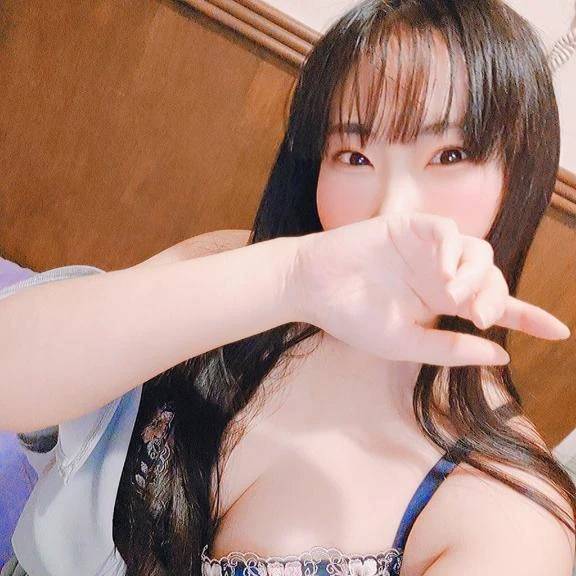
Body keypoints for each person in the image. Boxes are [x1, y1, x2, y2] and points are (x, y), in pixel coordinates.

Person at [0, 0, 574, 574]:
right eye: (354, 155)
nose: (392, 212)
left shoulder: (505, 513)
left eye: (449, 156)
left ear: (517, 179)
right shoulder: (241, 265)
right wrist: (289, 280)